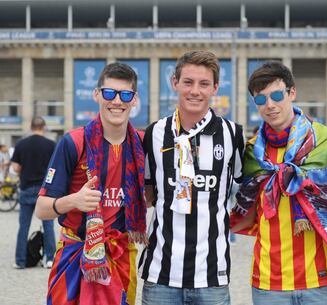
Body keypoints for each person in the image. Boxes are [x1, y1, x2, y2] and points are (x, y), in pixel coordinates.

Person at [231, 61, 327, 305]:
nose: (270, 105)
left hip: (319, 279)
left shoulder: (324, 140)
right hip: (268, 281)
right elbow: (246, 213)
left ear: (291, 92)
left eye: (276, 95)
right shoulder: (252, 151)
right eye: (261, 100)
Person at [35, 63, 146, 305]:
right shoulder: (73, 142)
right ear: (96, 94)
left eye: (125, 94)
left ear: (134, 100)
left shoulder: (143, 145)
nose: (117, 101)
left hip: (120, 257)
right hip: (74, 254)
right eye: (109, 93)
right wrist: (74, 200)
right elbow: (41, 209)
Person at [139, 50, 244, 305]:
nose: (195, 91)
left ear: (215, 88)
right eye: (188, 82)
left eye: (204, 83)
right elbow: (148, 193)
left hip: (212, 278)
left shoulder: (232, 134)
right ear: (175, 83)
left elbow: (248, 190)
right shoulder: (154, 133)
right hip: (161, 275)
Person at [11, 117, 56, 269]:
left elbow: (15, 167)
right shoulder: (51, 145)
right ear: (43, 127)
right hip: (44, 191)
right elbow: (54, 169)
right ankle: (50, 259)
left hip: (26, 188)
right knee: (48, 225)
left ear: (31, 127)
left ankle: (20, 261)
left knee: (23, 226)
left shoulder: (21, 144)